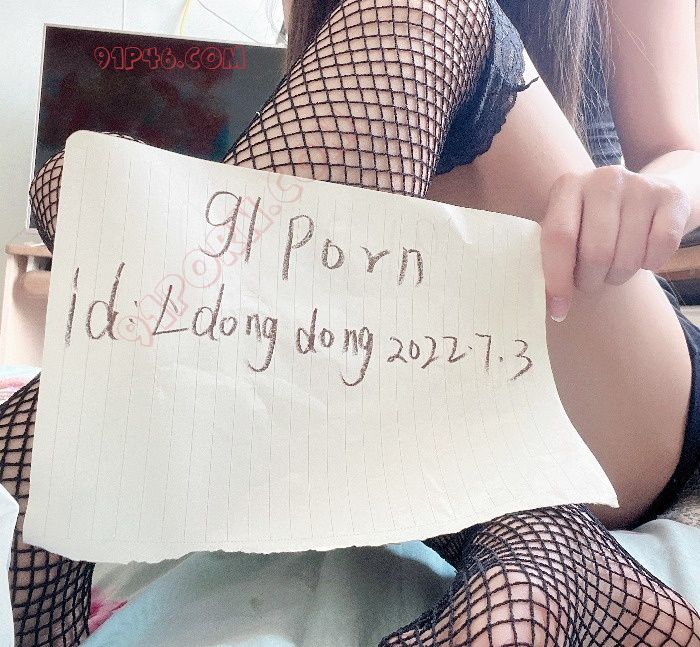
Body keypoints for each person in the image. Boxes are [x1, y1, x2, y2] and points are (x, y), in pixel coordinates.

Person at [8, 0, 700, 644]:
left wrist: (659, 193)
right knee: (70, 184)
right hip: (416, 371)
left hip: (585, 336)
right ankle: (551, 565)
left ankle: (69, 423)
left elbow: (684, 147)